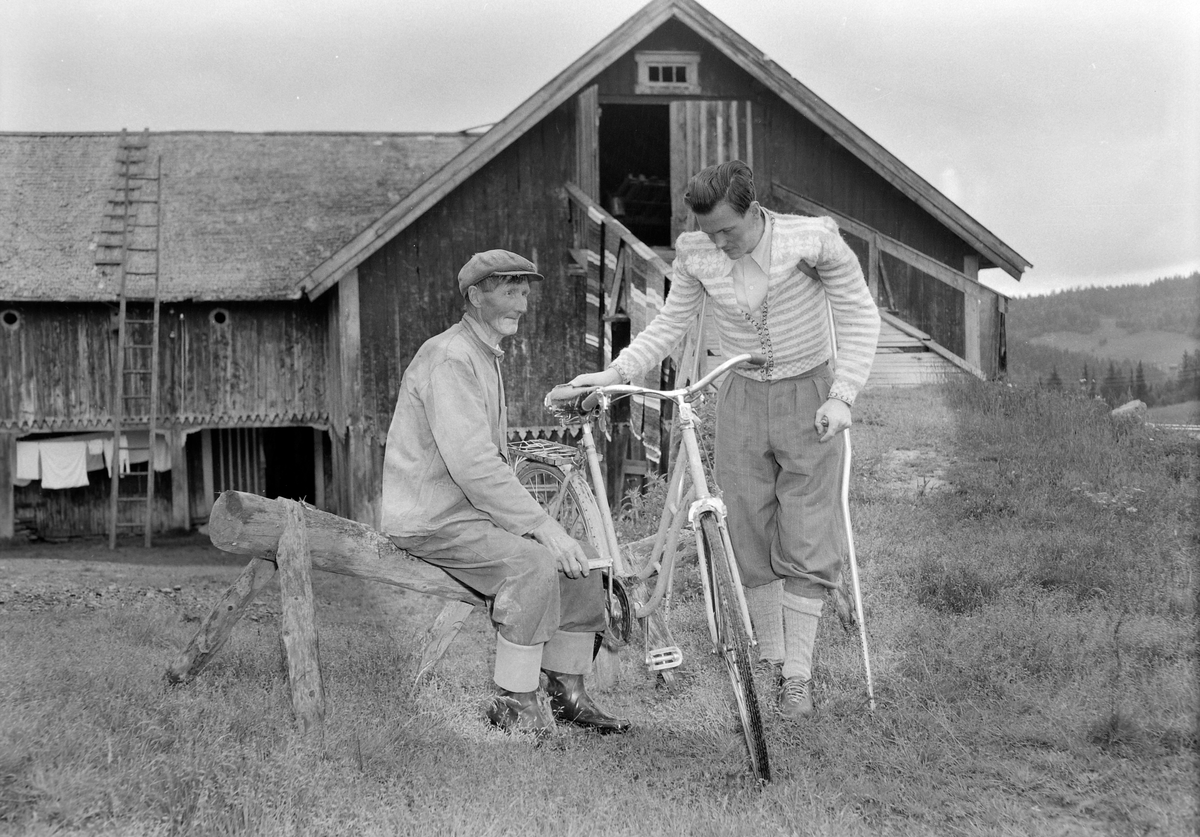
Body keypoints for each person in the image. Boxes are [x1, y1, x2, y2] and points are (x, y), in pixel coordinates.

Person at [566, 161, 880, 720]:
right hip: (739, 396)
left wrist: (843, 395)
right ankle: (773, 658)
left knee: (808, 528)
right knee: (747, 527)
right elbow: (670, 324)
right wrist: (616, 373)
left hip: (810, 394)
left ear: (754, 211)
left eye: (728, 232)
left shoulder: (812, 242)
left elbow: (858, 314)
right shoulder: (697, 254)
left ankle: (798, 677)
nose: (720, 243)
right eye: (709, 233)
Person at [381, 249, 630, 737]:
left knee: (582, 561)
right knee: (533, 564)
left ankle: (567, 692)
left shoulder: (483, 352)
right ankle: (514, 702)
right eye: (510, 291)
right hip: (432, 517)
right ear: (475, 296)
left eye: (525, 292)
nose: (522, 303)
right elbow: (474, 465)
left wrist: (545, 530)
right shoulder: (450, 358)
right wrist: (540, 526)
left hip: (469, 512)